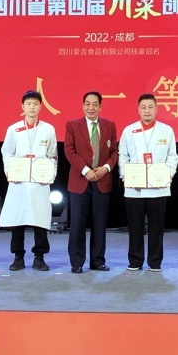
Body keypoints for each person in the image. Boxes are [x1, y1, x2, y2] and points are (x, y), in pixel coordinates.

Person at [118, 93, 178, 272]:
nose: (147, 111)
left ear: (157, 109)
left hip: (158, 188)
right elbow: (123, 155)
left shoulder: (166, 130)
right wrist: (124, 175)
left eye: (150, 107)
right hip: (134, 187)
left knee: (156, 227)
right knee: (134, 226)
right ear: (138, 110)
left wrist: (168, 174)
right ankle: (135, 260)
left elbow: (172, 156)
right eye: (143, 107)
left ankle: (155, 261)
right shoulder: (129, 131)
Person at [0, 91, 58, 271]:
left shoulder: (48, 129)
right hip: (19, 182)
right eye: (28, 104)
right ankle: (18, 257)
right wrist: (9, 171)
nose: (32, 107)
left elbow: (52, 155)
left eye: (35, 104)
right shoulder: (14, 129)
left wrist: (51, 174)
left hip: (40, 183)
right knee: (18, 220)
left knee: (40, 220)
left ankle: (39, 257)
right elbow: (6, 152)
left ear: (41, 106)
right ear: (22, 107)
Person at [64, 91, 119, 274]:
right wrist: (85, 170)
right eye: (87, 104)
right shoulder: (72, 125)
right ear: (83, 106)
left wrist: (106, 168)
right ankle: (77, 262)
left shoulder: (109, 125)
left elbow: (114, 152)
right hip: (80, 180)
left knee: (99, 223)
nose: (91, 107)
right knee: (77, 224)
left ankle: (97, 261)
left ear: (100, 107)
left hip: (102, 180)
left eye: (95, 104)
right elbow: (69, 151)